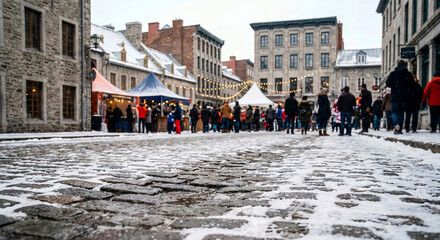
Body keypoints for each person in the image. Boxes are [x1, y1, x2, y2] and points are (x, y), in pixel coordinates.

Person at [386, 60, 413, 134]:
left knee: (394, 112)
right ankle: (399, 128)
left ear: (397, 65)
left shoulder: (393, 74)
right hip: (404, 97)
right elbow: (411, 85)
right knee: (401, 113)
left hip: (395, 96)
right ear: (405, 65)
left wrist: (394, 85)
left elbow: (388, 83)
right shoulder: (408, 74)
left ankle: (396, 124)